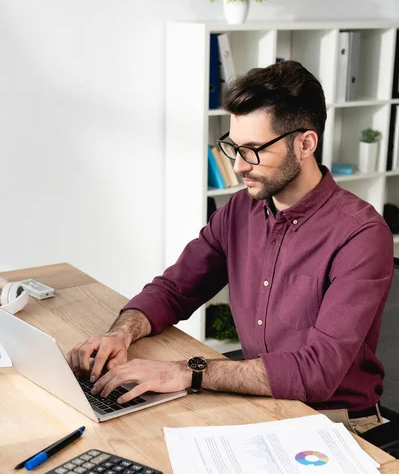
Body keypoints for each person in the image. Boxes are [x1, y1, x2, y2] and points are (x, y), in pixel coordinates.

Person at [68, 61, 394, 434]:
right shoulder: (241, 209)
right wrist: (120, 334)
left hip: (335, 423)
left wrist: (186, 372)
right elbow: (175, 289)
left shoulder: (361, 235)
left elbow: (317, 372)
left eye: (253, 150)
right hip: (261, 405)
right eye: (234, 147)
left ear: (305, 144)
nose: (239, 166)